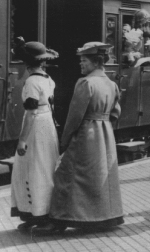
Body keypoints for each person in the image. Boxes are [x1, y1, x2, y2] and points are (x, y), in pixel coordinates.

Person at [35, 42, 123, 234]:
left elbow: (75, 117)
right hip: (105, 134)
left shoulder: (85, 83)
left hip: (86, 134)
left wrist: (64, 140)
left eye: (84, 61)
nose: (81, 65)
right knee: (99, 177)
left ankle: (59, 220)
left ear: (95, 62)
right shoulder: (111, 84)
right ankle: (102, 217)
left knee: (66, 174)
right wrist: (103, 122)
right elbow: (116, 113)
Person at [10, 39, 59, 231]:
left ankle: (38, 214)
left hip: (36, 126)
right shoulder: (48, 78)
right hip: (47, 125)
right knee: (45, 168)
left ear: (26, 63)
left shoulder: (31, 82)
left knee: (32, 169)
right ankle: (42, 212)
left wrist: (22, 140)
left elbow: (30, 113)